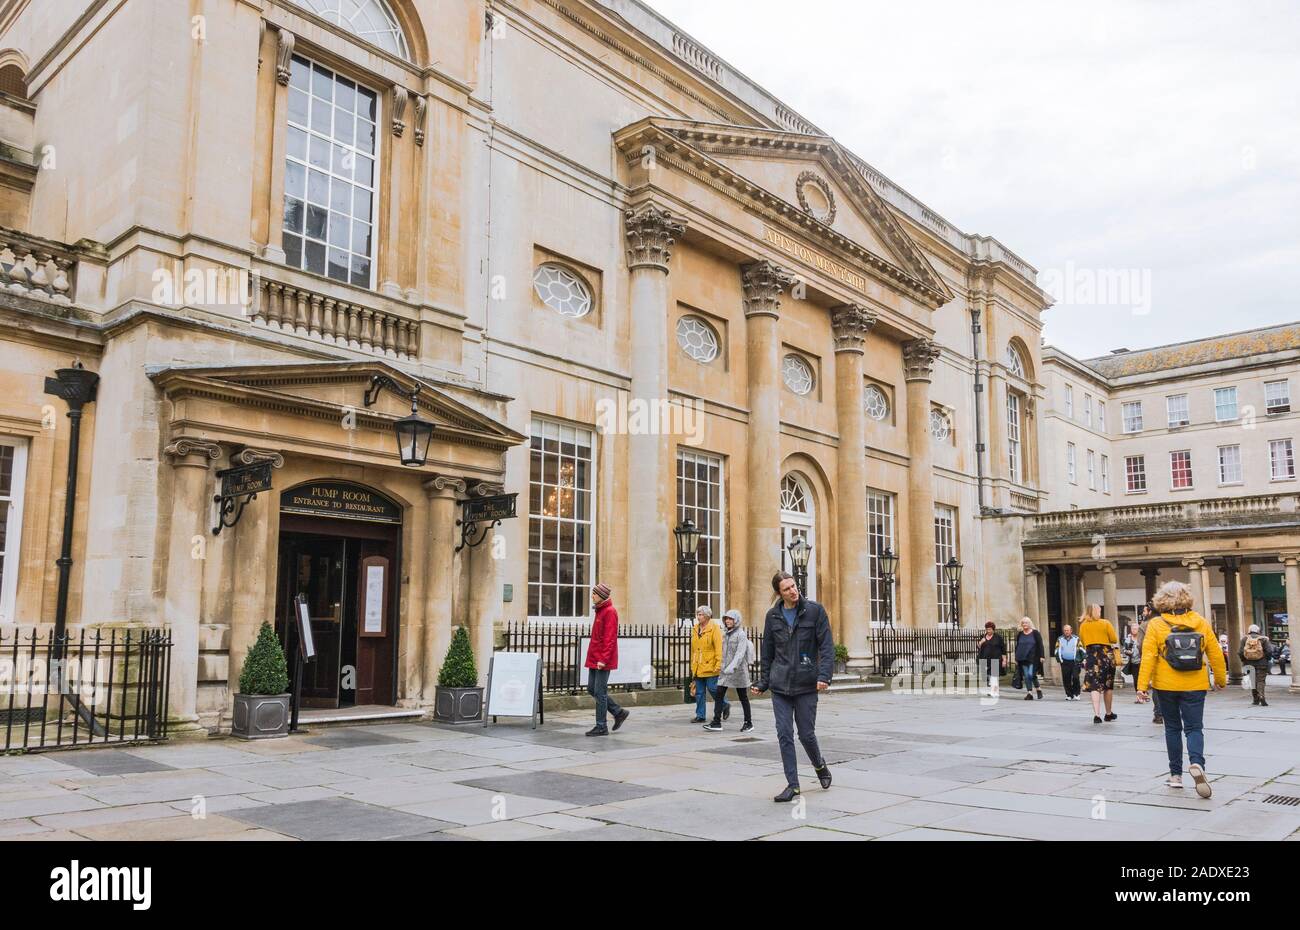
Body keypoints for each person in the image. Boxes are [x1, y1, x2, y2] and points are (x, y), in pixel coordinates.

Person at [1137, 581, 1226, 798]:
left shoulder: (1156, 624)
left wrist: (1142, 686)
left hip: (1165, 685)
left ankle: (1175, 775)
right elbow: (1214, 651)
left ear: (1162, 600)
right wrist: (1221, 679)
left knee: (1172, 728)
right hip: (1195, 684)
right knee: (1195, 728)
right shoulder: (1200, 622)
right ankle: (1197, 763)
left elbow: (1148, 656)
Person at [752, 571, 833, 803]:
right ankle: (793, 785)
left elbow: (826, 646)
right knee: (784, 734)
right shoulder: (773, 616)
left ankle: (820, 767)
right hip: (780, 687)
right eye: (787, 589)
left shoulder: (815, 611)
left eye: (794, 586)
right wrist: (763, 681)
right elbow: (767, 653)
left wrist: (825, 675)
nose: (793, 591)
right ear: (779, 593)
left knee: (806, 734)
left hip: (807, 684)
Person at [585, 582, 628, 737]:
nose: (592, 596)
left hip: (602, 659)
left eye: (594, 594)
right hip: (595, 657)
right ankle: (618, 712)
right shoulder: (600, 610)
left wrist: (603, 659)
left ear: (601, 596)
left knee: (600, 692)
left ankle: (601, 726)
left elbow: (609, 638)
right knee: (592, 689)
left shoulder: (609, 612)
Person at [704, 609, 753, 732]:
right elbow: (723, 652)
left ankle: (748, 723)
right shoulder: (725, 634)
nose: (728, 621)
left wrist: (731, 667)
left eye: (730, 619)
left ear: (736, 620)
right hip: (725, 671)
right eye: (726, 619)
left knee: (743, 697)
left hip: (738, 671)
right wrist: (721, 666)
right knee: (719, 694)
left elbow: (740, 654)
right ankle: (716, 722)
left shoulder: (741, 634)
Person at [1079, 603, 1119, 724]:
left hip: (1091, 655)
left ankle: (1097, 715)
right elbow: (1114, 639)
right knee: (1107, 685)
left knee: (1094, 685)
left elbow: (1083, 640)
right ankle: (1108, 713)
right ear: (1097, 611)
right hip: (1105, 655)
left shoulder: (1083, 625)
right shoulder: (1105, 623)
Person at [689, 605, 728, 724]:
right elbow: (693, 649)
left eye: (700, 614)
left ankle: (725, 705)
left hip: (711, 665)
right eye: (698, 614)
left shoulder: (714, 628)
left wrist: (718, 664)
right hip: (698, 666)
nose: (698, 617)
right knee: (699, 693)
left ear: (707, 616)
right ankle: (700, 715)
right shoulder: (695, 628)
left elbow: (718, 648)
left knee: (713, 689)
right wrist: (692, 665)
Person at [1140, 603, 1164, 725]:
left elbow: (1140, 645)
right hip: (1169, 660)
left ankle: (1158, 714)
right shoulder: (1167, 621)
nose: (1143, 613)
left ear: (1150, 612)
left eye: (1144, 611)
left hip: (1153, 660)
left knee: (1157, 688)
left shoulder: (1145, 625)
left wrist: (1142, 687)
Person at [1239, 624, 1274, 707]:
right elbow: (1269, 651)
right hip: (1262, 663)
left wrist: (1244, 660)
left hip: (1248, 663)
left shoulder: (1244, 639)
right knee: (1260, 681)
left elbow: (1240, 652)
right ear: (1258, 631)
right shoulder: (1264, 639)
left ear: (1249, 630)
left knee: (1252, 681)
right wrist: (1266, 659)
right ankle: (1261, 696)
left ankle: (1255, 700)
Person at [1014, 617, 1044, 700]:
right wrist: (1016, 658)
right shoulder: (1020, 634)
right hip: (1022, 658)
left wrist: (1042, 656)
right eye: (1023, 623)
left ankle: (1038, 689)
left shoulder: (1035, 633)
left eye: (1026, 623)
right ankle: (1029, 693)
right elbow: (1017, 646)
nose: (1024, 624)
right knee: (1027, 676)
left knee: (1031, 674)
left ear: (1029, 623)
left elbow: (1040, 645)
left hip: (1033, 658)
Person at [976, 621, 1007, 695]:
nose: (988, 631)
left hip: (996, 658)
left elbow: (1003, 649)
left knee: (994, 676)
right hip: (985, 659)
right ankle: (995, 690)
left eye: (990, 629)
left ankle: (994, 691)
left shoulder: (998, 637)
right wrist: (981, 642)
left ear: (993, 629)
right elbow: (978, 647)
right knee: (990, 675)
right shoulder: (983, 637)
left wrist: (1004, 660)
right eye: (987, 629)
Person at [1055, 623, 1082, 700]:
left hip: (1075, 662)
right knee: (1066, 678)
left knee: (1075, 677)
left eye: (1068, 630)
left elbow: (1081, 649)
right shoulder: (1059, 639)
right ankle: (1069, 695)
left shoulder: (1076, 639)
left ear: (1071, 631)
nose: (1066, 632)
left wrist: (1081, 659)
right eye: (1065, 630)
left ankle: (1076, 693)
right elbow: (1057, 649)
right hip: (1064, 662)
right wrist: (1060, 659)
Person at [1122, 621, 1143, 700]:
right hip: (1133, 662)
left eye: (1136, 629)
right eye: (1133, 629)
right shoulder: (1128, 639)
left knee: (1142, 679)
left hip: (1142, 661)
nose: (1134, 630)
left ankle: (1143, 694)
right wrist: (1127, 652)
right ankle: (1139, 697)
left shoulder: (1142, 638)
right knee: (1136, 680)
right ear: (1131, 629)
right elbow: (1124, 650)